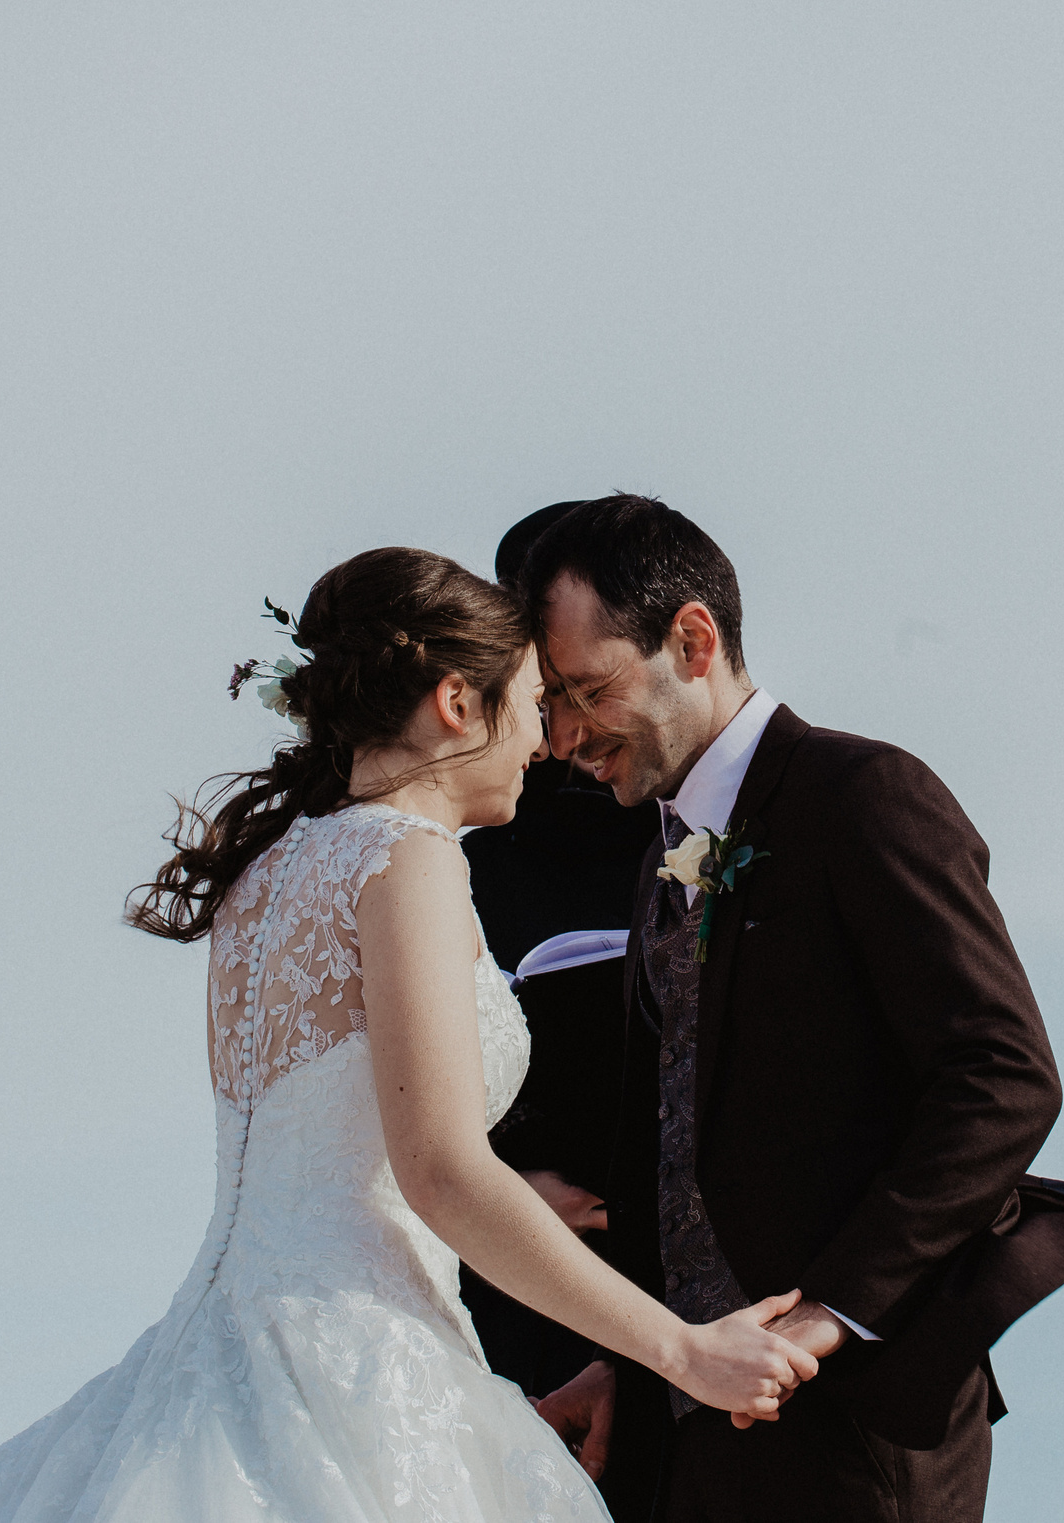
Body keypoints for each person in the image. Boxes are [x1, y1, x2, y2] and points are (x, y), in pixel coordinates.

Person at [0, 546, 818, 1523]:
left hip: (212, 1357)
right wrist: (682, 1348)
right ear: (458, 702)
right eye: (533, 704)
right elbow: (443, 1173)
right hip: (351, 1368)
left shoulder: (267, 875)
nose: (544, 744)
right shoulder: (406, 861)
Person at [522, 496, 1064, 1523]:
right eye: (547, 703)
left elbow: (1001, 1079)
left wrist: (831, 1313)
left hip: (856, 1420)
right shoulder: (655, 863)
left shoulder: (862, 794)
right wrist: (633, 1368)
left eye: (585, 692)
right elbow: (674, 1147)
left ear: (692, 639)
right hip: (697, 1427)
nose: (561, 737)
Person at [461, 503, 666, 1518]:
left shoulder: (703, 826)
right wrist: (502, 1187)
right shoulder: (456, 837)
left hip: (686, 1286)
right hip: (508, 1299)